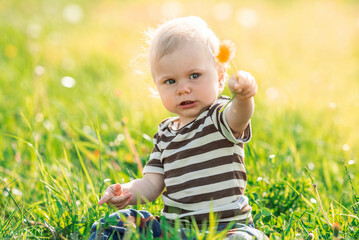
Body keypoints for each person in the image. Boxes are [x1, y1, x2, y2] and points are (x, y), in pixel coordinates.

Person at [89, 16, 267, 240]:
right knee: (115, 223)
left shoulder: (218, 116)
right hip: (175, 231)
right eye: (170, 81)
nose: (183, 89)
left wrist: (243, 97)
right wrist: (127, 192)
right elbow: (151, 185)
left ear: (220, 77)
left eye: (194, 76)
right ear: (157, 87)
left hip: (226, 229)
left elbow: (239, 116)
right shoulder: (164, 134)